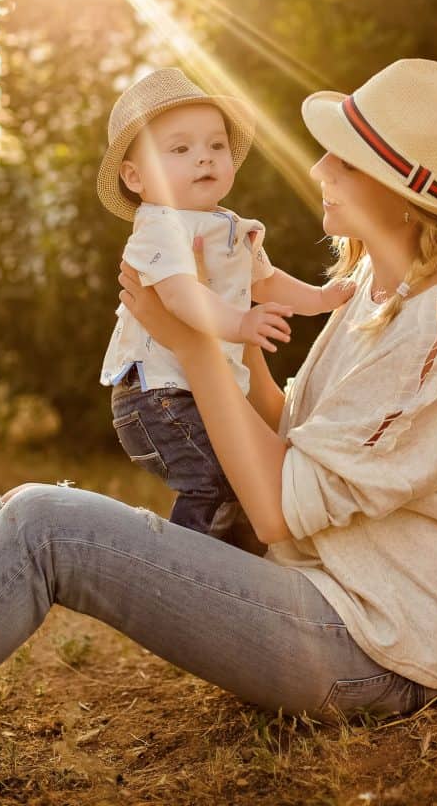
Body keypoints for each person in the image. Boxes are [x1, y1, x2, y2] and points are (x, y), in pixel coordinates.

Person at [0, 59, 437, 723]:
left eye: (344, 160)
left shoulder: (435, 333)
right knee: (36, 517)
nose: (319, 171)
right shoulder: (374, 287)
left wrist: (193, 347)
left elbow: (277, 509)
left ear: (401, 192)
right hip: (313, 590)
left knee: (42, 524)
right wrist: (227, 309)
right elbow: (292, 439)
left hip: (370, 650)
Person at [97, 67, 352, 537]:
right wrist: (239, 323)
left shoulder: (229, 226)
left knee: (243, 481)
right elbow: (179, 294)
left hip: (196, 388)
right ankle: (180, 565)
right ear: (135, 177)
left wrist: (322, 298)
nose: (204, 159)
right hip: (156, 394)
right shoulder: (160, 227)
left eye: (216, 146)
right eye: (181, 149)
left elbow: (266, 281)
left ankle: (227, 567)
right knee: (216, 479)